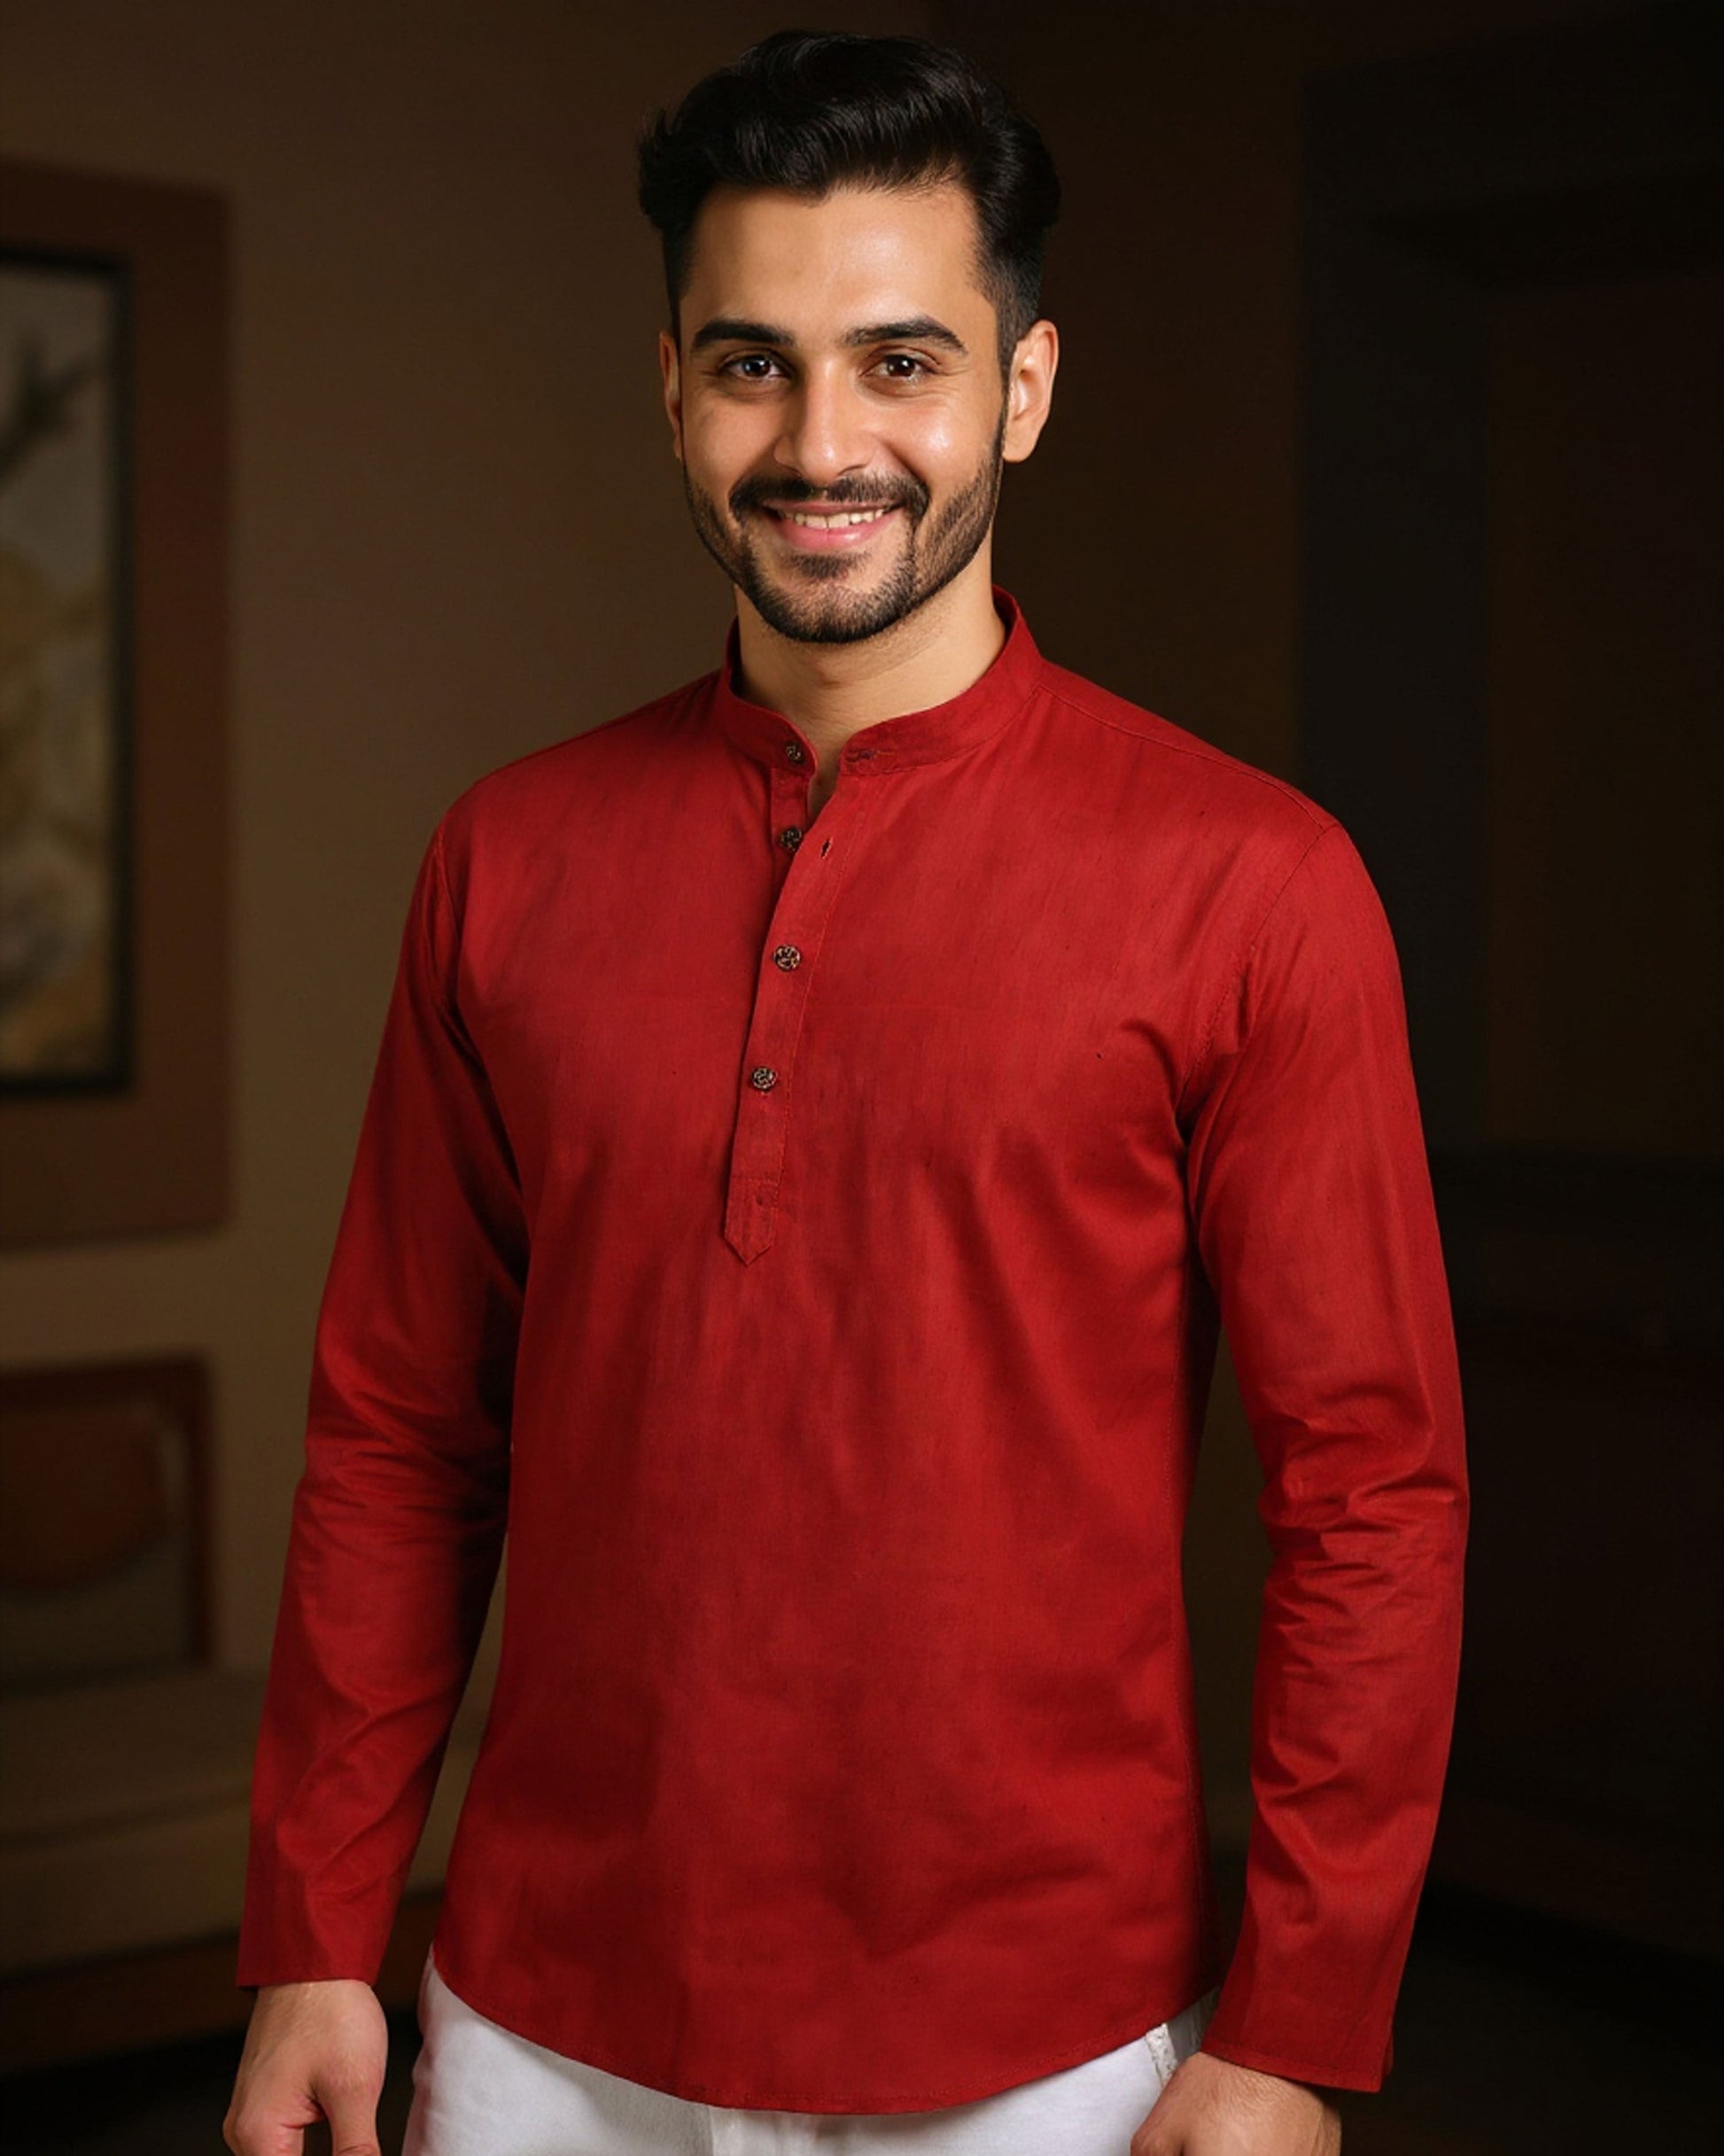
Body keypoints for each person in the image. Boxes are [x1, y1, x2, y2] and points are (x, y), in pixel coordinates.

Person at [223, 30, 1467, 2156]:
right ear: (672, 390)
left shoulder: (1255, 883)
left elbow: (1370, 1492)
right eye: (752, 365)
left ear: (1025, 385)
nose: (823, 441)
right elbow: (400, 1428)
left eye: (901, 360)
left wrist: (1295, 2026)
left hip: (1048, 2042)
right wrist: (314, 1934)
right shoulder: (502, 858)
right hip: (537, 2019)